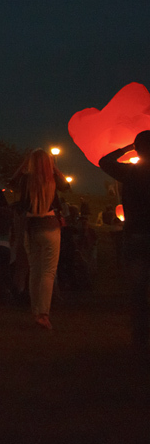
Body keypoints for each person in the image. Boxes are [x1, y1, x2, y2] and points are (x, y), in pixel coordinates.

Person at [99, 131, 150, 360]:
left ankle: (140, 337)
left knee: (138, 291)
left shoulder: (130, 174)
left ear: (137, 149)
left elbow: (105, 162)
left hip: (136, 235)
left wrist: (125, 148)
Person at [11, 149, 70, 330]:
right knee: (48, 271)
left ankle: (36, 311)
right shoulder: (52, 180)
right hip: (50, 225)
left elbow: (12, 182)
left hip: (31, 227)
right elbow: (66, 186)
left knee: (35, 270)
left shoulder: (26, 180)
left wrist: (23, 164)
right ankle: (44, 314)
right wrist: (55, 167)